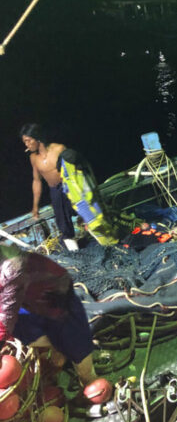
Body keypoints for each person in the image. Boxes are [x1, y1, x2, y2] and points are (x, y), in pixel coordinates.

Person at [0, 244, 109, 396]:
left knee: (76, 347)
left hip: (55, 302)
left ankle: (90, 385)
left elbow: (7, 313)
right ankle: (59, 356)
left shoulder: (11, 268)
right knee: (31, 333)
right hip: (29, 303)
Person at [21, 124, 78, 251]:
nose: (27, 145)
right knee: (63, 224)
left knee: (84, 211)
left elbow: (75, 170)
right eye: (25, 142)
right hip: (55, 191)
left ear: (37, 138)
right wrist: (35, 207)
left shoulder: (59, 149)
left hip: (69, 186)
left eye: (28, 141)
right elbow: (37, 181)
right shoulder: (33, 158)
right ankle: (75, 251)